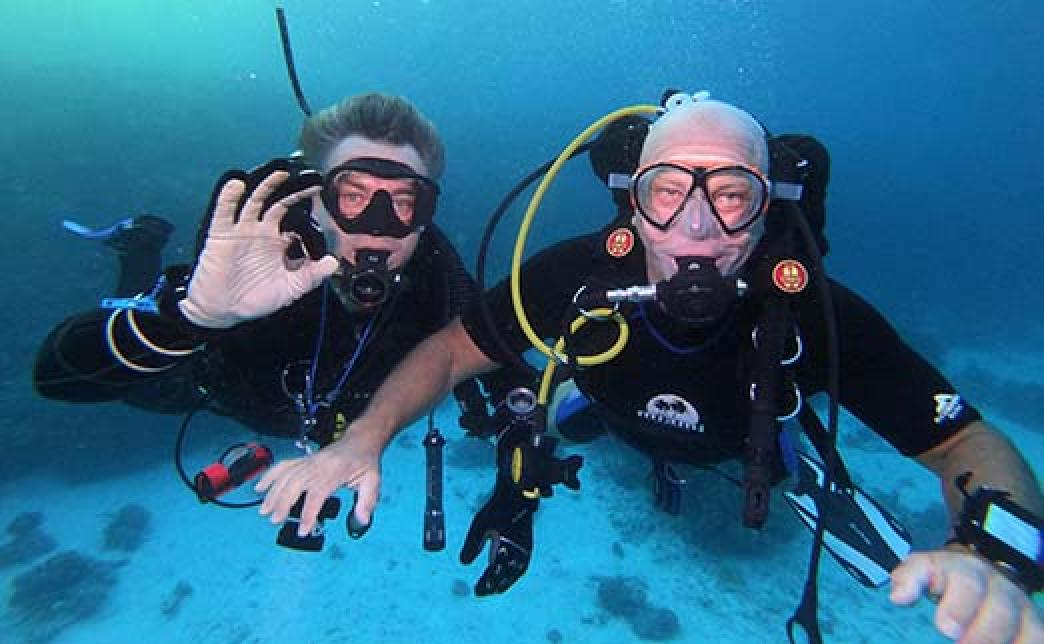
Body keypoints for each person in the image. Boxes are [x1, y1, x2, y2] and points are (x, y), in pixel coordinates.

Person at [254, 91, 1043, 641]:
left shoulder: (807, 308)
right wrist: (365, 439)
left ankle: (800, 471)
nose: (696, 227)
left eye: (731, 194)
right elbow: (454, 348)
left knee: (779, 445)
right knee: (556, 415)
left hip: (748, 435)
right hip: (612, 415)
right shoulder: (581, 275)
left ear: (766, 206)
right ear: (634, 200)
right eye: (668, 191)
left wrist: (997, 557)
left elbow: (963, 441)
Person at [33, 92, 498, 543]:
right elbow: (56, 377)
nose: (379, 225)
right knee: (145, 389)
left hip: (318, 419)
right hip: (222, 391)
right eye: (353, 196)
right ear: (313, 200)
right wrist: (191, 320)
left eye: (404, 201)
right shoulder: (258, 266)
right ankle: (138, 251)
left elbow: (499, 357)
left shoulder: (440, 281)